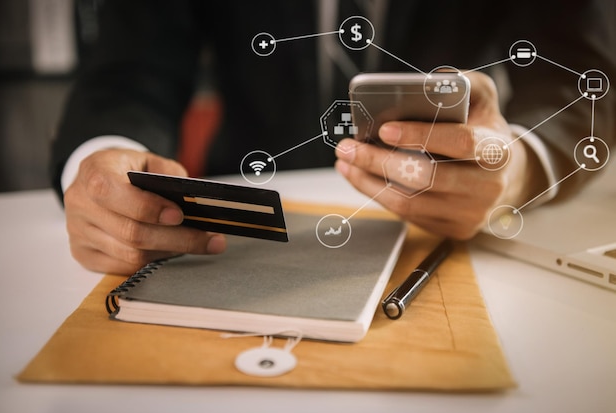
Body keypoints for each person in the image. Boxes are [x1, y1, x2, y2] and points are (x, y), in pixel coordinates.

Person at [50, 0, 615, 275]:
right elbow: (131, 64)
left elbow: (587, 77)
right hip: (247, 212)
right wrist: (101, 158)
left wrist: (517, 166)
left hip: (446, 217)